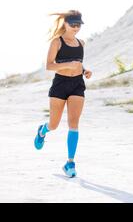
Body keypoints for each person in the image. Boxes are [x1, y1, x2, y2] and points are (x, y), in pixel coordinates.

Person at [34, 10, 92, 178]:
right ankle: (42, 130)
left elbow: (79, 65)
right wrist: (68, 64)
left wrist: (85, 70)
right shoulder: (56, 42)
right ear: (65, 24)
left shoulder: (81, 43)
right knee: (54, 124)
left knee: (74, 123)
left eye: (78, 25)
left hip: (77, 85)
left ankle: (70, 163)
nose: (76, 28)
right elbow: (49, 66)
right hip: (60, 85)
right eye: (73, 25)